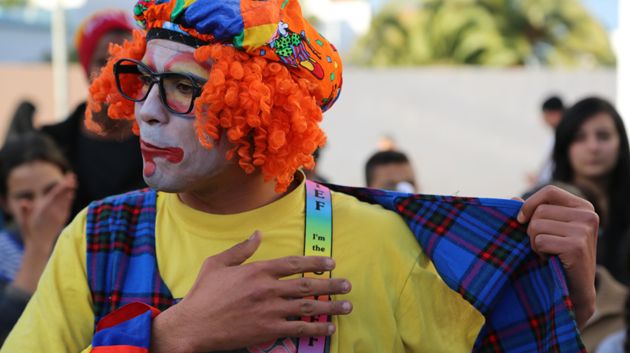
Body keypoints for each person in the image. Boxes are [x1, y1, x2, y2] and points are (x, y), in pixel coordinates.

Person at [3, 1, 597, 352]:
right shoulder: (98, 240)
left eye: (185, 86)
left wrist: (560, 296)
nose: (148, 109)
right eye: (141, 78)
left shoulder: (387, 246)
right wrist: (169, 337)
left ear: (262, 108)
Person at [41, 9, 145, 217]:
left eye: (125, 62)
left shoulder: (161, 138)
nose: (113, 72)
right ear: (86, 68)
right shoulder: (51, 142)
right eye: (103, 61)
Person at [0, 132, 76, 343]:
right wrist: (38, 245)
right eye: (26, 196)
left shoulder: (87, 240)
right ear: (6, 202)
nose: (42, 206)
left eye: (51, 191)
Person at [551, 97, 630, 284]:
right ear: (565, 146)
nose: (593, 147)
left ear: (620, 143)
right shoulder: (547, 205)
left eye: (603, 136)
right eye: (579, 138)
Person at [528, 95, 565, 186]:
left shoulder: (564, 136)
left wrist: (538, 180)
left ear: (554, 114)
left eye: (545, 115)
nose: (543, 119)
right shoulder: (556, 135)